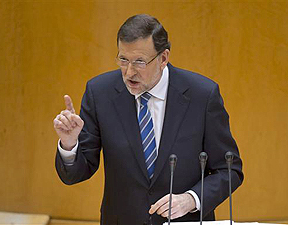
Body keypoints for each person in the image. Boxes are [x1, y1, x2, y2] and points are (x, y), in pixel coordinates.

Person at [53, 14, 243, 225]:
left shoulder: (202, 95)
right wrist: (69, 144)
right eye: (123, 59)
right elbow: (77, 173)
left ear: (163, 58)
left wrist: (192, 199)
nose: (129, 72)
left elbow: (229, 170)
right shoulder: (100, 93)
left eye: (140, 62)